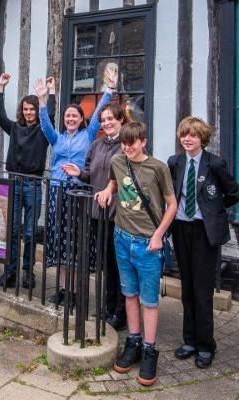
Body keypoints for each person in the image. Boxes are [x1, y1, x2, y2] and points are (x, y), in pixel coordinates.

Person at [95, 121, 177, 386]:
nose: (127, 149)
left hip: (147, 243)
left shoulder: (158, 168)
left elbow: (172, 204)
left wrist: (158, 235)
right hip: (121, 236)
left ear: (143, 141)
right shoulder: (118, 161)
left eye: (132, 144)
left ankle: (150, 349)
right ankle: (133, 340)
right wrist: (108, 190)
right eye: (124, 144)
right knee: (129, 293)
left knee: (149, 300)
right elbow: (113, 182)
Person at [34, 74, 115, 304]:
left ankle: (76, 292)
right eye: (68, 115)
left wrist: (108, 91)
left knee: (76, 241)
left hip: (79, 194)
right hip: (57, 194)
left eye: (75, 115)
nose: (70, 118)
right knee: (59, 240)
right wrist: (42, 100)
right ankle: (62, 289)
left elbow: (99, 116)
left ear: (81, 119)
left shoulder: (88, 135)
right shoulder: (56, 138)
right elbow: (45, 125)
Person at [168, 117, 239, 369]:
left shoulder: (215, 163)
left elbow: (233, 192)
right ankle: (189, 340)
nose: (188, 139)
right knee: (186, 286)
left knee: (202, 290)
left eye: (193, 135)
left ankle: (206, 345)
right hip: (181, 229)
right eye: (184, 135)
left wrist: (213, 211)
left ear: (202, 138)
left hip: (204, 232)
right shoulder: (174, 162)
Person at [62, 102, 128, 329]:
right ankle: (109, 307)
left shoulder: (128, 145)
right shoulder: (97, 145)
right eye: (104, 119)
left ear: (121, 120)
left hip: (119, 213)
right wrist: (79, 172)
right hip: (97, 212)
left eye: (111, 118)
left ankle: (121, 311)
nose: (107, 122)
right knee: (106, 263)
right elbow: (91, 174)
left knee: (120, 264)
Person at [0, 72, 56, 289]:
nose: (29, 112)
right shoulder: (15, 128)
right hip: (13, 182)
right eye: (26, 109)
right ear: (22, 111)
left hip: (33, 183)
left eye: (32, 109)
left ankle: (28, 272)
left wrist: (49, 95)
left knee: (29, 232)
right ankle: (10, 272)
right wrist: (1, 87)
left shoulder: (42, 130)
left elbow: (50, 113)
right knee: (11, 230)